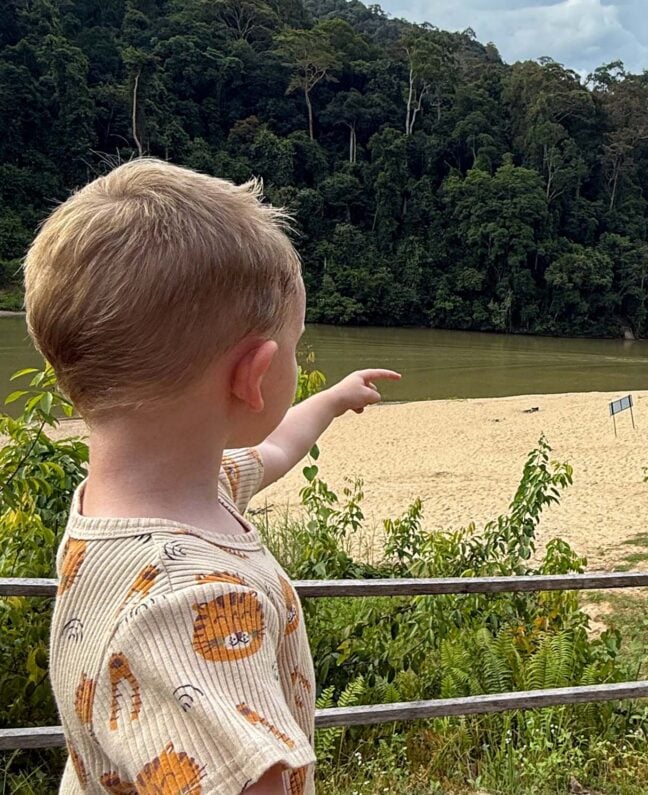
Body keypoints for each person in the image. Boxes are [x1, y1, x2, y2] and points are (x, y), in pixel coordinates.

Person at [23, 158, 400, 794]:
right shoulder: (189, 602)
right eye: (297, 345)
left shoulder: (142, 502)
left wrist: (333, 399)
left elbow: (276, 449)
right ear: (253, 376)